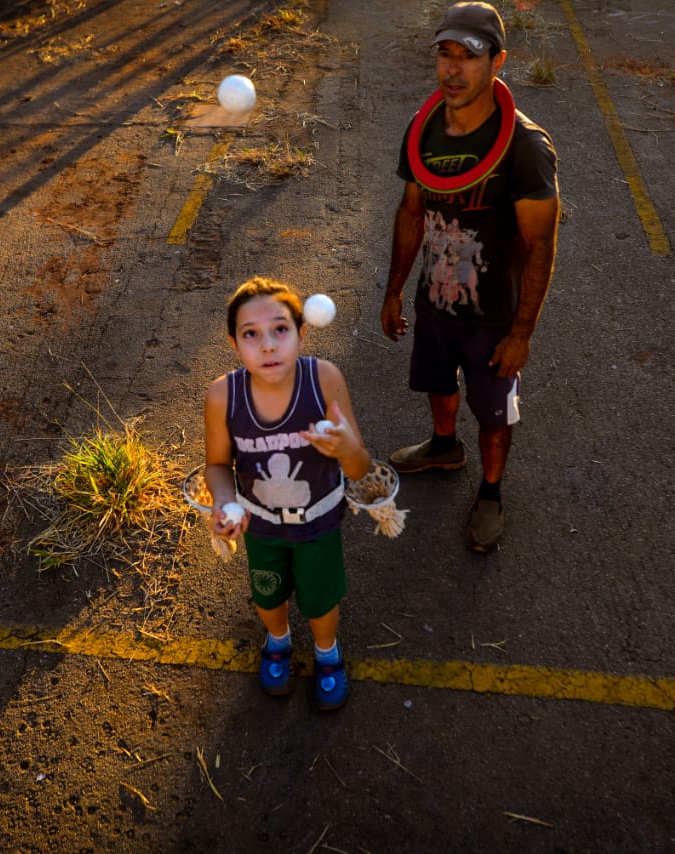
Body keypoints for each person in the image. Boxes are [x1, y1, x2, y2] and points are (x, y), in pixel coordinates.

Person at [381, 1, 559, 552]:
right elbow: (412, 211)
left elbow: (540, 244)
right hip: (435, 302)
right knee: (437, 384)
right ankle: (442, 446)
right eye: (445, 55)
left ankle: (490, 492)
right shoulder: (423, 129)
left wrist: (522, 333)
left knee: (492, 413)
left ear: (498, 62)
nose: (453, 70)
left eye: (470, 58)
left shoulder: (525, 148)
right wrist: (392, 291)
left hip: (493, 317)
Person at [204, 276, 372, 710]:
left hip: (318, 521)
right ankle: (277, 641)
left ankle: (326, 652)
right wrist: (225, 503)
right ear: (233, 342)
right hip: (259, 524)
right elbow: (219, 465)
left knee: (320, 601)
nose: (267, 346)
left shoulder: (324, 380)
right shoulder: (223, 396)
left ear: (302, 332)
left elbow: (359, 468)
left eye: (280, 329)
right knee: (268, 594)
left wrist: (347, 448)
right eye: (251, 334)